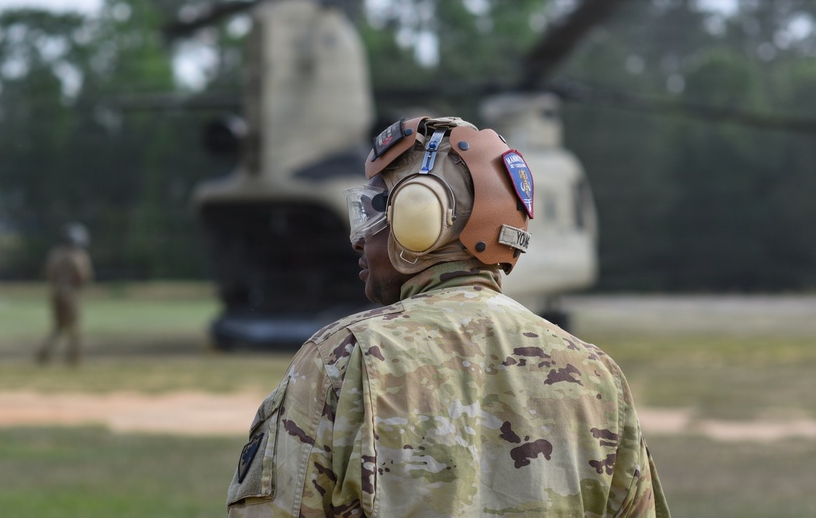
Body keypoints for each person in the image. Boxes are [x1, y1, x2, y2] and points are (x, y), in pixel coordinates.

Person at [226, 116, 669, 517]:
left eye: (378, 210)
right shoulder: (599, 377)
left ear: (420, 215)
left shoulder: (343, 359)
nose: (359, 239)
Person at [35, 222, 94, 366]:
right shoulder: (77, 255)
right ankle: (74, 357)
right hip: (70, 293)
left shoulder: (55, 253)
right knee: (75, 327)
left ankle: (44, 353)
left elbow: (49, 273)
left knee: (58, 326)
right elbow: (82, 275)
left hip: (55, 291)